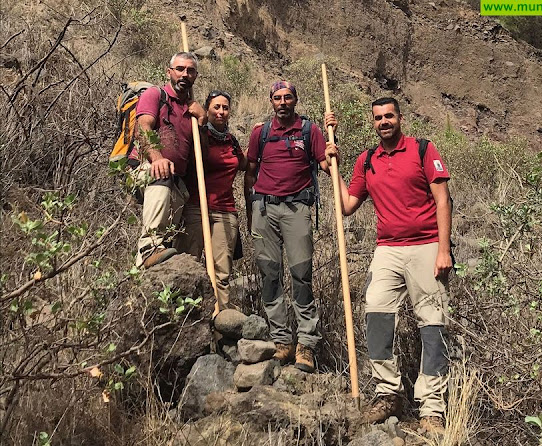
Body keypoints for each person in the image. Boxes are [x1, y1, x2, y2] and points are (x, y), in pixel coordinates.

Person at [325, 97, 453, 436]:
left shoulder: (423, 149)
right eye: (379, 118)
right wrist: (333, 169)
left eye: (389, 116)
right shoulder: (366, 160)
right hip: (388, 250)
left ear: (400, 118)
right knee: (376, 312)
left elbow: (443, 199)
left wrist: (444, 250)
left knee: (432, 324)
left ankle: (432, 408)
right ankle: (388, 393)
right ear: (373, 122)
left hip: (426, 247)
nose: (384, 122)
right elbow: (348, 206)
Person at [244, 81, 335, 373]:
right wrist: (251, 209)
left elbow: (324, 164)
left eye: (288, 97)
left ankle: (306, 343)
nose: (282, 102)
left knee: (301, 275)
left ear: (295, 100)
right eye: (277, 98)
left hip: (297, 209)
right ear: (271, 101)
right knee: (270, 275)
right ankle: (281, 340)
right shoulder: (261, 132)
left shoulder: (310, 131)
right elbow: (251, 169)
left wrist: (333, 148)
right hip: (264, 209)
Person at [132, 52, 206, 268]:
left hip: (177, 182)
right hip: (147, 169)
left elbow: (202, 153)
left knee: (190, 225)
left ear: (195, 76)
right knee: (161, 175)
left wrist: (201, 120)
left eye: (190, 71)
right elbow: (142, 128)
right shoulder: (155, 94)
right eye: (180, 69)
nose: (185, 74)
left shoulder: (193, 111)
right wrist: (157, 158)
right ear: (169, 72)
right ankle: (149, 248)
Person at [175, 90, 247, 310]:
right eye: (216, 107)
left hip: (225, 210)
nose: (221, 111)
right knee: (188, 266)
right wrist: (199, 123)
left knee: (222, 272)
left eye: (225, 107)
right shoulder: (198, 135)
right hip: (196, 207)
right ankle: (187, 320)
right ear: (208, 109)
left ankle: (221, 320)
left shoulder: (231, 141)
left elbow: (245, 164)